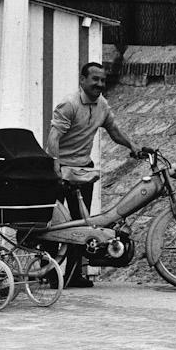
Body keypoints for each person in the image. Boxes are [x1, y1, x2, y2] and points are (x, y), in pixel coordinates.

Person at [44, 61, 140, 288]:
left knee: (82, 225)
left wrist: (133, 146)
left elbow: (114, 131)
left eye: (103, 80)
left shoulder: (102, 106)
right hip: (61, 171)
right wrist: (55, 164)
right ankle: (50, 273)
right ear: (82, 80)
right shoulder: (69, 104)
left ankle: (73, 275)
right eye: (95, 79)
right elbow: (53, 137)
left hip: (83, 171)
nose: (100, 84)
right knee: (54, 226)